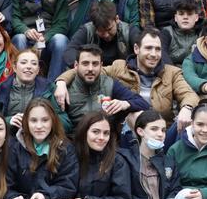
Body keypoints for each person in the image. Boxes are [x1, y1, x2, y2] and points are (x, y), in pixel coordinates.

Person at [58, 30, 197, 143]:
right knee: (133, 114)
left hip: (163, 130)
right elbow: (90, 71)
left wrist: (187, 108)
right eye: (148, 48)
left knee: (191, 121)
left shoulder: (172, 73)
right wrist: (61, 82)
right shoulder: (119, 67)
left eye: (158, 49)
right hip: (131, 130)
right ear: (136, 49)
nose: (154, 54)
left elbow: (189, 95)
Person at [53, 44, 150, 131]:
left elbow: (143, 104)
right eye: (85, 63)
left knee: (137, 114)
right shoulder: (66, 88)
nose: (90, 69)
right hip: (75, 142)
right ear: (76, 65)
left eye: (95, 64)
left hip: (104, 140)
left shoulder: (110, 84)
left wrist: (125, 103)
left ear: (101, 66)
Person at [0, 48, 64, 129]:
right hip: (7, 139)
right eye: (23, 62)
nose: (29, 67)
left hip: (39, 137)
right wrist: (7, 121)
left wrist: (42, 121)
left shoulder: (49, 88)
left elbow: (65, 122)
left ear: (38, 70)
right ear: (14, 67)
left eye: (34, 63)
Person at [65, 0, 136, 67]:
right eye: (101, 31)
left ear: (117, 19)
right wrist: (85, 65)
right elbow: (70, 52)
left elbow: (141, 50)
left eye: (109, 29)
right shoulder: (87, 30)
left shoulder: (129, 31)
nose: (106, 35)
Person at [160, 0, 202, 65]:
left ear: (196, 17)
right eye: (181, 14)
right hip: (171, 71)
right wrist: (176, 73)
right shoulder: (166, 32)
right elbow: (162, 55)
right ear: (175, 18)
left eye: (189, 14)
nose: (185, 17)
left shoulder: (202, 33)